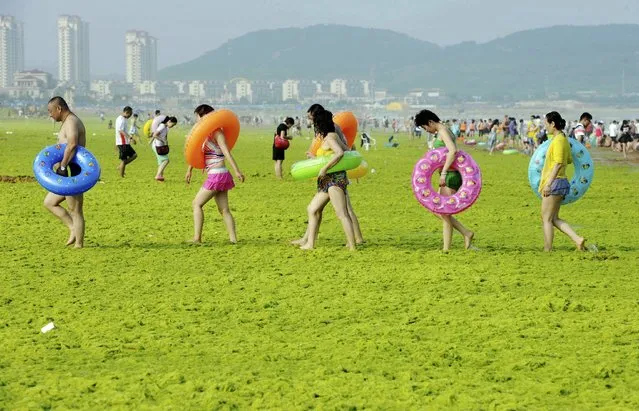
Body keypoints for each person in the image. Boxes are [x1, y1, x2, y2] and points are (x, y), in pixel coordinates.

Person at [293, 104, 364, 246]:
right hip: (330, 179)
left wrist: (324, 168)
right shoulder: (332, 135)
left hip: (333, 179)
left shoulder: (330, 137)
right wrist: (315, 160)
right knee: (314, 209)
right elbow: (346, 150)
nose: (312, 124)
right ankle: (309, 242)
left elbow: (340, 152)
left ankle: (353, 244)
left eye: (312, 119)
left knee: (343, 213)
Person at [415, 110, 475, 251]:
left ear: (430, 122)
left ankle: (447, 248)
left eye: (425, 128)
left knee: (444, 212)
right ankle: (466, 233)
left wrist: (443, 172)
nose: (427, 131)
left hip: (450, 175)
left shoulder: (442, 132)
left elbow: (453, 150)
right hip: (449, 175)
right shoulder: (444, 129)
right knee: (438, 210)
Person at [185, 105, 245, 244]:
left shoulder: (217, 133)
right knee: (224, 209)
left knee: (196, 204)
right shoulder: (206, 134)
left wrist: (237, 170)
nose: (196, 119)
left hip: (217, 175)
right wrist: (190, 169)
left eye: (198, 116)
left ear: (204, 115)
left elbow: (226, 152)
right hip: (219, 174)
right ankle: (233, 240)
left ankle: (197, 238)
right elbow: (197, 153)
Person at [539, 111, 587, 252]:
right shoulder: (563, 139)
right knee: (553, 218)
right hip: (560, 182)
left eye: (546, 124)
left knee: (546, 218)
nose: (545, 127)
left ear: (553, 124)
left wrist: (548, 184)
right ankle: (577, 239)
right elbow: (569, 160)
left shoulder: (559, 140)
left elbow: (559, 163)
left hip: (555, 183)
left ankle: (548, 248)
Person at [43, 96, 86, 248]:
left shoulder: (72, 121)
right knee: (49, 202)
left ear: (59, 109)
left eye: (50, 111)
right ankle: (72, 227)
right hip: (65, 170)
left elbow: (73, 144)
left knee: (75, 209)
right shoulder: (66, 122)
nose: (50, 115)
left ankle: (79, 244)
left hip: (72, 170)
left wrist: (62, 166)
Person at [150, 115, 177, 181]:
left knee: (161, 162)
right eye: (172, 125)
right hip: (157, 146)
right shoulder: (162, 126)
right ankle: (158, 175)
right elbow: (154, 135)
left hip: (160, 146)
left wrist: (166, 143)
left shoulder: (165, 127)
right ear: (169, 121)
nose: (172, 127)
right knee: (166, 160)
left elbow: (164, 136)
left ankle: (160, 177)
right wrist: (162, 140)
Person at [115, 106, 137, 177]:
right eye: (130, 114)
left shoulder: (123, 119)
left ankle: (121, 167)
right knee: (124, 160)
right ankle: (121, 176)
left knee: (134, 155)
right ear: (126, 112)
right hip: (122, 142)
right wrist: (130, 138)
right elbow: (120, 130)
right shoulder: (121, 119)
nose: (130, 116)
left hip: (124, 142)